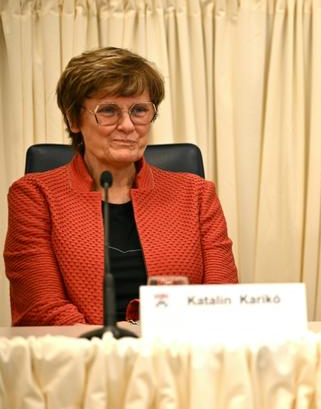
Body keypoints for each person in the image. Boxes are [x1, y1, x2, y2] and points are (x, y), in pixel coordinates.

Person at [4, 47, 238, 326]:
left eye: (139, 110)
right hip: (81, 360)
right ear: (73, 119)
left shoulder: (197, 193)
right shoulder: (35, 195)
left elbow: (221, 300)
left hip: (177, 357)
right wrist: (112, 352)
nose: (128, 125)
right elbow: (40, 309)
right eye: (109, 111)